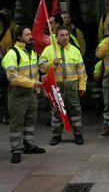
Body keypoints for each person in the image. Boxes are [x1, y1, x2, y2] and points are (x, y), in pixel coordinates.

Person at [1, 26, 45, 163]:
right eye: (27, 34)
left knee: (31, 120)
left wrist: (51, 64)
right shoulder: (12, 54)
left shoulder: (31, 52)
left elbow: (39, 69)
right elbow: (12, 77)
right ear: (19, 37)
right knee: (17, 122)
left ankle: (29, 144)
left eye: (30, 34)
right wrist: (33, 83)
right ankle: (16, 149)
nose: (30, 36)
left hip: (31, 93)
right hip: (18, 93)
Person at [39, 26, 87, 146]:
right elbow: (41, 67)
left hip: (72, 85)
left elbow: (81, 70)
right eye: (62, 35)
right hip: (56, 85)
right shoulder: (49, 50)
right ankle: (56, 136)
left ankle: (78, 135)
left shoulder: (75, 50)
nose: (65, 37)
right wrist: (52, 63)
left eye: (66, 35)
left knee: (75, 110)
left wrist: (82, 86)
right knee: (56, 111)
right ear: (56, 37)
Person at [0, 13, 13, 125]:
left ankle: (5, 114)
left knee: (5, 91)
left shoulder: (9, 32)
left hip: (4, 64)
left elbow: (9, 47)